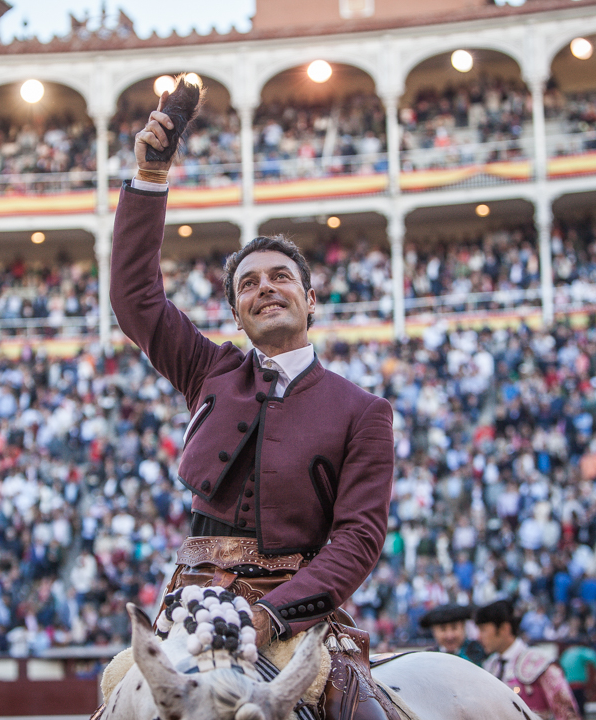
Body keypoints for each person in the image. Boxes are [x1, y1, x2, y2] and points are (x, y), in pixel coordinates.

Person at [109, 92, 397, 720]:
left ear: (310, 299)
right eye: (248, 283)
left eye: (280, 277)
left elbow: (358, 538)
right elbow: (136, 300)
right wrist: (151, 178)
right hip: (190, 603)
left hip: (295, 610)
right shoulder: (209, 368)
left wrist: (271, 614)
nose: (265, 286)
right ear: (236, 313)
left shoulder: (363, 411)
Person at [476, 600, 581, 720]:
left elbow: (568, 715)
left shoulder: (540, 663)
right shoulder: (489, 666)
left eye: (483, 629)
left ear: (504, 628)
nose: (478, 637)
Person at [418, 604, 486, 664]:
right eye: (443, 629)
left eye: (454, 628)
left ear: (463, 627)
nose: (449, 636)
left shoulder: (480, 653)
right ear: (434, 631)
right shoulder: (429, 660)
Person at [558, 642, 596, 719]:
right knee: (579, 710)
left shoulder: (565, 654)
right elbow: (593, 656)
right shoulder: (580, 651)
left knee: (570, 710)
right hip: (578, 687)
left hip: (566, 688)